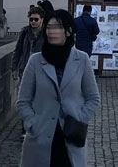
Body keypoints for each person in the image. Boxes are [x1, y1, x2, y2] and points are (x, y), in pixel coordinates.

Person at [16, 9, 100, 167]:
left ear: (68, 31)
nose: (51, 31)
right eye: (48, 27)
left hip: (71, 136)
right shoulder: (35, 61)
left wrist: (79, 117)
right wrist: (32, 123)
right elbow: (23, 101)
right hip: (41, 136)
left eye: (56, 27)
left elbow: (93, 98)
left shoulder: (81, 60)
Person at [12, 6, 45, 78]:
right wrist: (14, 68)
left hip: (41, 70)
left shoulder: (46, 33)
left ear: (41, 19)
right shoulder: (25, 32)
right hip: (25, 69)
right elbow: (18, 50)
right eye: (31, 19)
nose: (33, 21)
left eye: (36, 19)